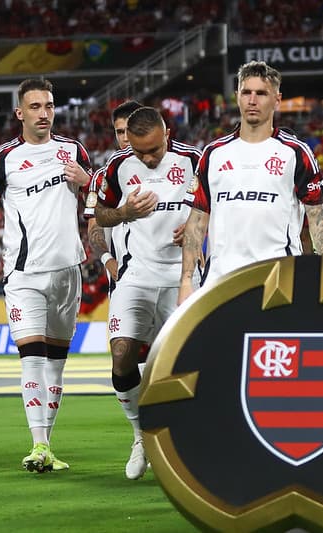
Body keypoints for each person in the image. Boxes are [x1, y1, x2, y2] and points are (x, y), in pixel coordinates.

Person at [0, 78, 93, 473]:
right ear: (20, 112)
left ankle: (46, 446)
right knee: (32, 359)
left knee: (56, 364)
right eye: (35, 106)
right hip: (24, 274)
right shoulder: (2, 158)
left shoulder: (74, 151)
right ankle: (38, 444)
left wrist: (88, 181)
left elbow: (98, 204)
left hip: (68, 270)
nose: (44, 113)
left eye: (49, 106)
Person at [95, 106, 200, 480]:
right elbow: (98, 215)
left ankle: (182, 440)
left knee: (186, 365)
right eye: (140, 152)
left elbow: (220, 208)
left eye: (154, 150)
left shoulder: (195, 161)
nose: (148, 159)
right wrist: (124, 212)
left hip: (182, 277)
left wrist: (196, 226)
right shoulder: (117, 166)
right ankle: (141, 434)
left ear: (167, 133)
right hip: (135, 275)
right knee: (121, 355)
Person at [179, 60, 323, 302]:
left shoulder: (296, 153)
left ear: (277, 99)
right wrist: (186, 281)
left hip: (279, 281)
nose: (252, 100)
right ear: (237, 97)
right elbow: (197, 221)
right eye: (246, 92)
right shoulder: (213, 153)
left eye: (261, 93)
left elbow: (317, 219)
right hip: (221, 281)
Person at [86, 100, 142, 284]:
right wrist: (108, 260)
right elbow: (94, 227)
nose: (125, 138)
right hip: (125, 279)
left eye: (130, 130)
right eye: (120, 132)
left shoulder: (172, 167)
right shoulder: (102, 177)